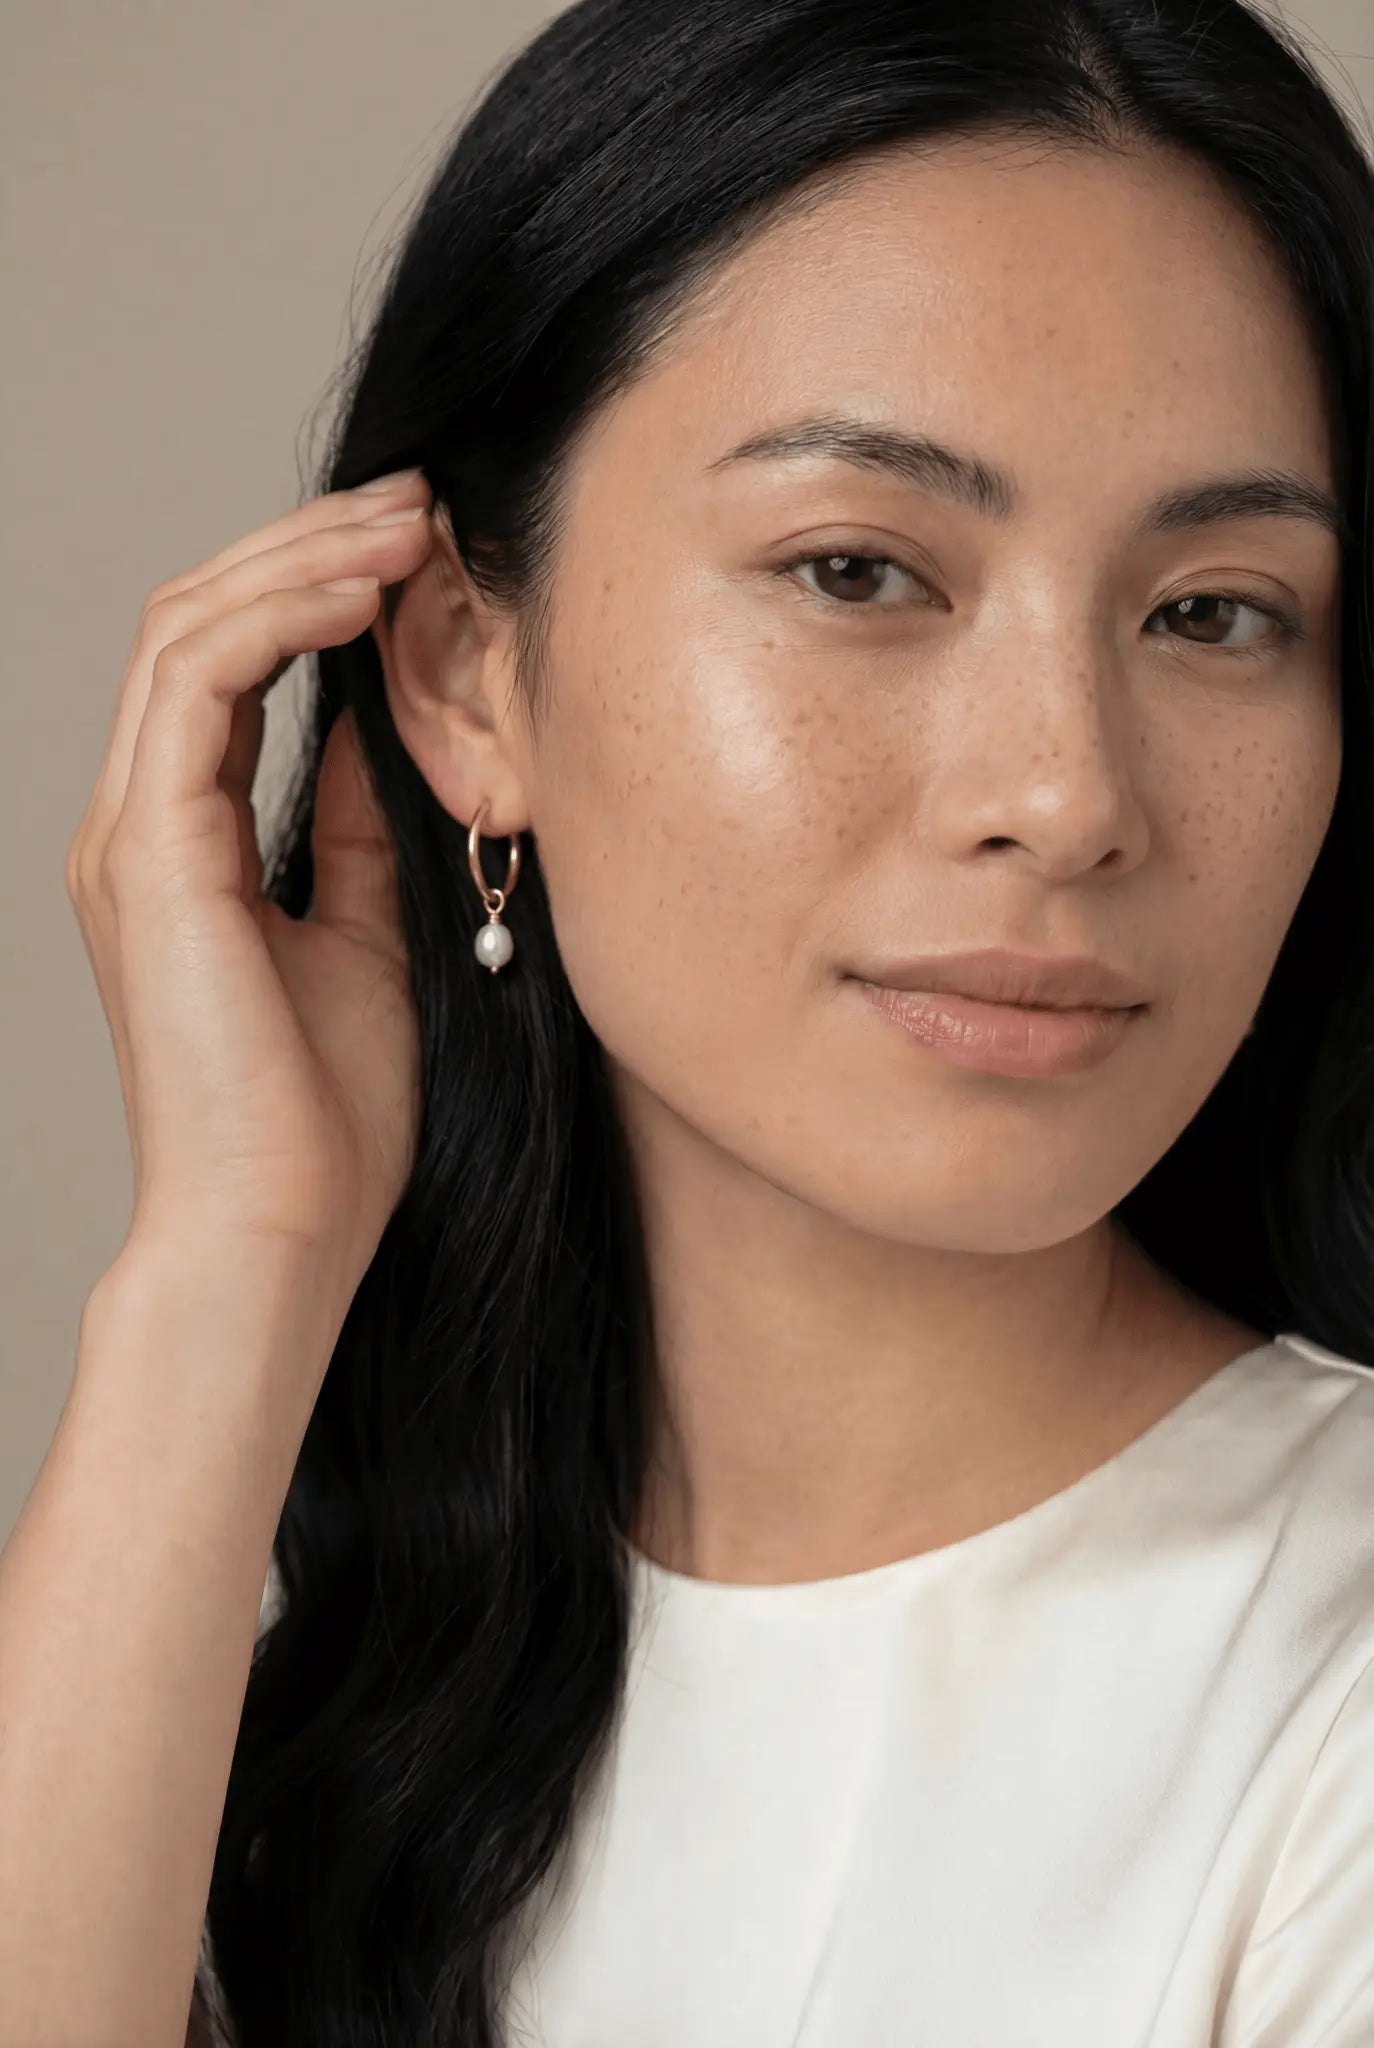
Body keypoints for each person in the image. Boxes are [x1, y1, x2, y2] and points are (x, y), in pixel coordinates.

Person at [3, 0, 1373, 2041]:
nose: (1071, 793)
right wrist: (230, 1270)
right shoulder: (316, 1712)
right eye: (858, 569)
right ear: (471, 667)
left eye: (1214, 612)